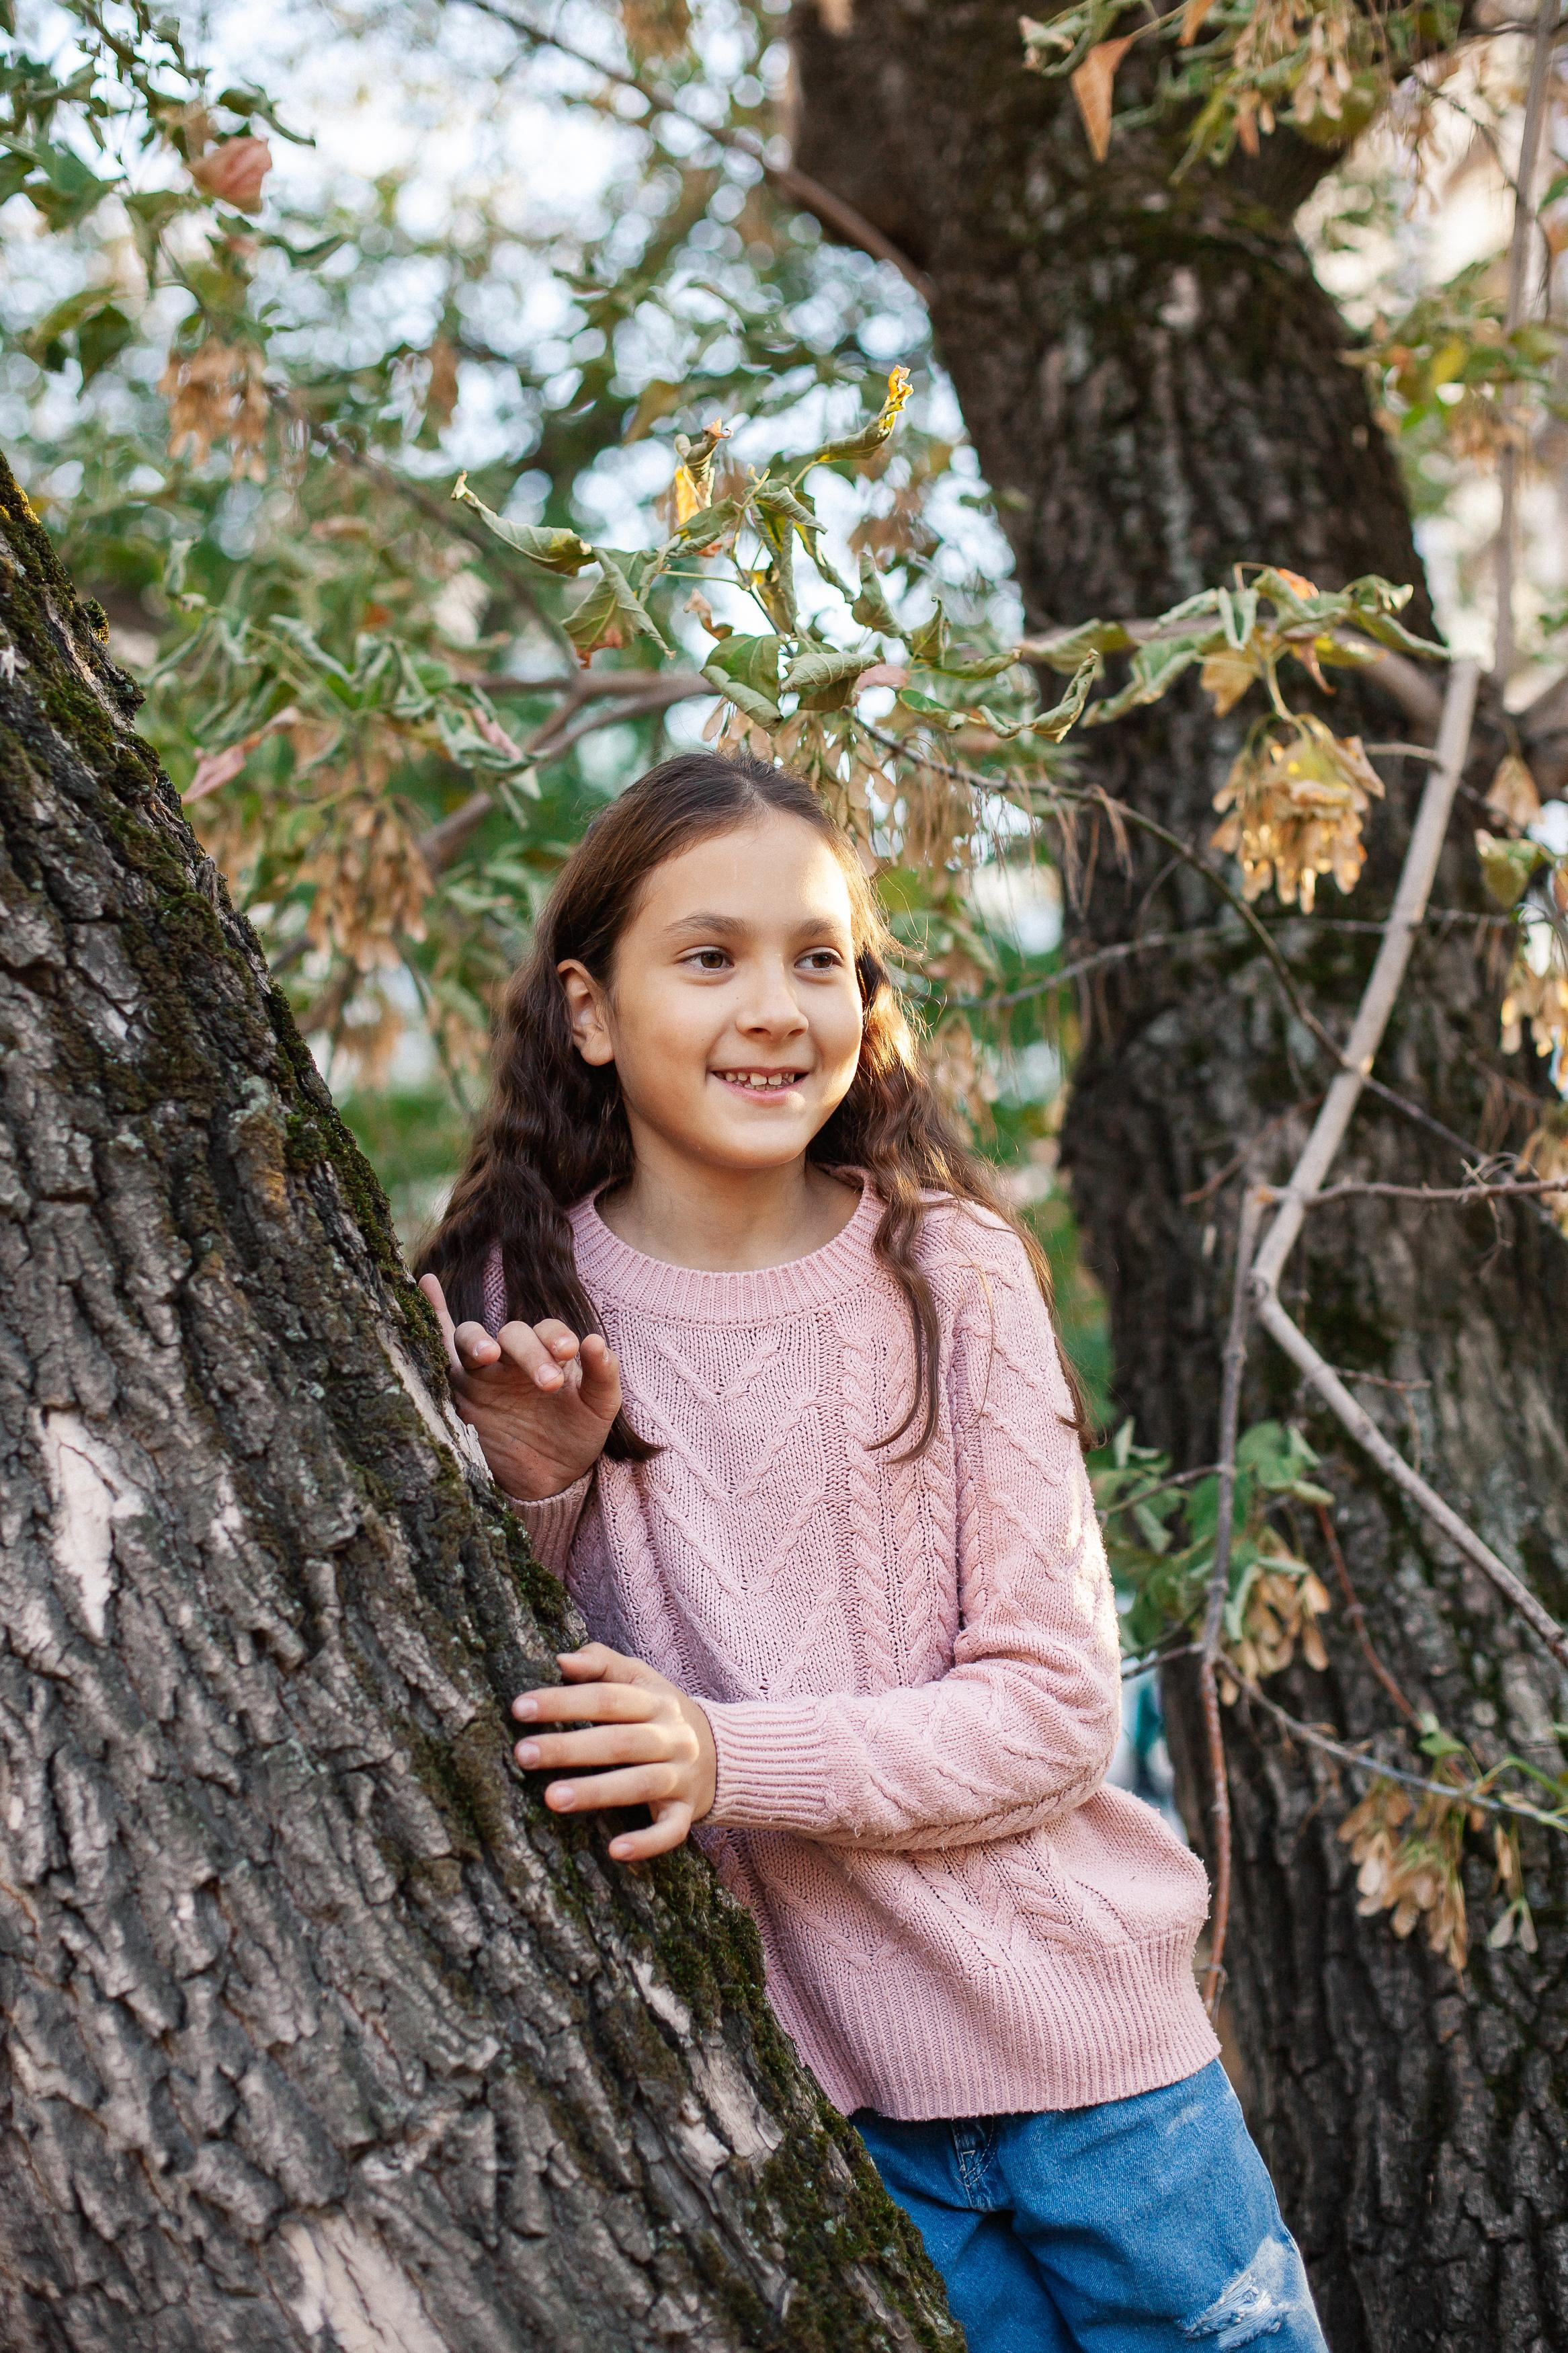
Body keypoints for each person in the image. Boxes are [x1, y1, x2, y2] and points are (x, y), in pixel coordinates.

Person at [415, 751, 1329, 2352]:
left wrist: (729, 1755)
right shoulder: (518, 1299)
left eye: (819, 957)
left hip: (1101, 2075)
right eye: (711, 957)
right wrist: (540, 1485)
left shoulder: (948, 1272)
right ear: (590, 1010)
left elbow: (1056, 1710)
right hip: (822, 2116)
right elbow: (502, 1690)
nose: (776, 1007)